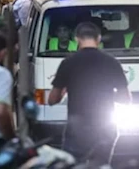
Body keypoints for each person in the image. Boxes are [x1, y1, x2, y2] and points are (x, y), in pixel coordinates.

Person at [48, 22, 130, 164]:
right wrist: (108, 94)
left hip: (77, 129)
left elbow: (52, 99)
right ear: (98, 39)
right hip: (105, 128)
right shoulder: (112, 62)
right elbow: (126, 99)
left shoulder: (68, 63)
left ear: (77, 39)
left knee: (73, 164)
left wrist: (66, 91)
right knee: (100, 164)